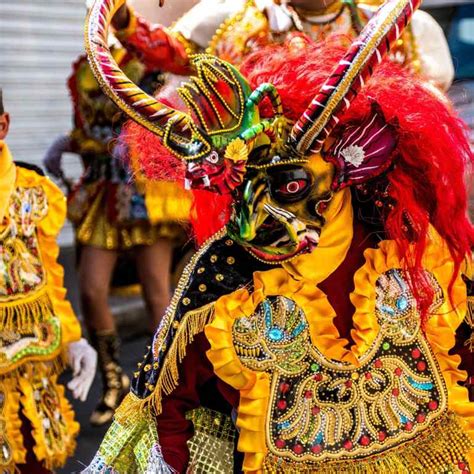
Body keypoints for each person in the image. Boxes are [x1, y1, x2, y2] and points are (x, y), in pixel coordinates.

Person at [84, 0, 474, 471]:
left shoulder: (413, 252)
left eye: (288, 188)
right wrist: (123, 22)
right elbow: (173, 423)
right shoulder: (223, 279)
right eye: (250, 187)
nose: (260, 220)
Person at [43, 45, 192, 426]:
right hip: (102, 190)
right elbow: (87, 126)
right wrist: (70, 142)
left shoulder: (149, 62)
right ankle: (114, 379)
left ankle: (166, 384)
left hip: (142, 192)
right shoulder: (85, 66)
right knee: (91, 289)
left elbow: (160, 120)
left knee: (157, 291)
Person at [0, 89, 96, 473]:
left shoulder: (33, 192)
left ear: (2, 126)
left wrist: (73, 339)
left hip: (30, 364)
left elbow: (49, 276)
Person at [110, 0, 454, 90]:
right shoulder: (237, 21)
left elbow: (421, 101)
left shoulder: (390, 26)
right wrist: (123, 19)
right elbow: (176, 55)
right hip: (268, 184)